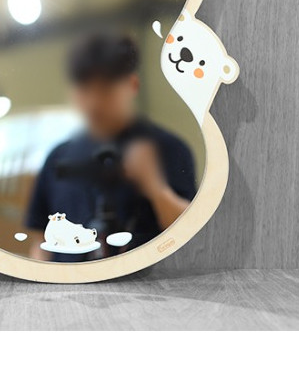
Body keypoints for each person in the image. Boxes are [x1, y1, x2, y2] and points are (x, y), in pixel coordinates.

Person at [25, 31, 196, 261]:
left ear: (132, 85)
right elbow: (40, 241)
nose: (94, 103)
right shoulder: (58, 157)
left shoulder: (168, 148)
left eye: (105, 89)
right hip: (68, 282)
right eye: (84, 89)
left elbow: (192, 233)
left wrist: (156, 188)